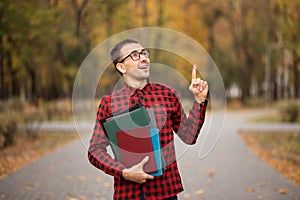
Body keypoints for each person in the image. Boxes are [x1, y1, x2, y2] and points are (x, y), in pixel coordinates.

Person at [88, 38, 209, 200]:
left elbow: (189, 136)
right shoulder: (109, 104)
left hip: (165, 191)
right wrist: (123, 172)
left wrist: (199, 102)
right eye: (135, 55)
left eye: (144, 53)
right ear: (121, 66)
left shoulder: (167, 94)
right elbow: (95, 150)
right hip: (129, 194)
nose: (144, 58)